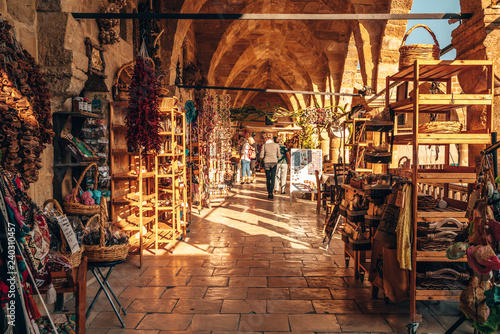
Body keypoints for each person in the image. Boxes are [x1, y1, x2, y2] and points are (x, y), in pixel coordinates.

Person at [260, 133, 280, 199]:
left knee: (268, 178)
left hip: (266, 162)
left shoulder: (264, 145)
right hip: (274, 162)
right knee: (273, 177)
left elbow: (261, 156)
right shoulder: (276, 145)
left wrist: (262, 159)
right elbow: (279, 155)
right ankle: (271, 191)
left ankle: (269, 192)